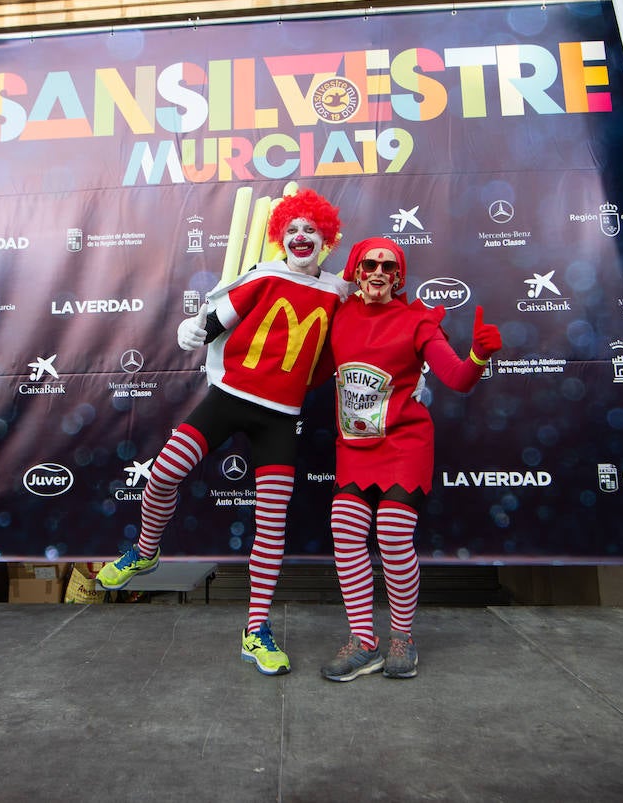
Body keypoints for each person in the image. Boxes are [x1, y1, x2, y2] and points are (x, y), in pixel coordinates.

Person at [97, 189, 347, 676]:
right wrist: (194, 329)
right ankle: (145, 552)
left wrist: (408, 370)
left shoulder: (339, 293)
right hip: (230, 398)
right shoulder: (267, 275)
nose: (300, 237)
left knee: (272, 525)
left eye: (309, 230)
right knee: (163, 473)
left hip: (281, 416)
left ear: (327, 239)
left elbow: (369, 337)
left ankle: (256, 630)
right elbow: (218, 317)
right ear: (280, 238)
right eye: (291, 230)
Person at [319, 238, 501, 682]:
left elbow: (457, 379)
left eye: (388, 266)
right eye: (369, 264)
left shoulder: (416, 320)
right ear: (356, 272)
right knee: (345, 528)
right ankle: (364, 642)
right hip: (355, 446)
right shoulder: (338, 317)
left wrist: (478, 355)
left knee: (394, 534)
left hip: (405, 444)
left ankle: (403, 638)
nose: (378, 271)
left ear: (399, 277)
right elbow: (305, 370)